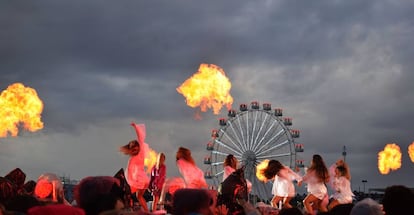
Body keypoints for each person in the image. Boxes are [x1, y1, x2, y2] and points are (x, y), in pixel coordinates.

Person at [120, 122, 151, 212]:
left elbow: (140, 138)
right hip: (144, 180)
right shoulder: (136, 157)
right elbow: (129, 171)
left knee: (134, 196)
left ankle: (144, 211)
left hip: (140, 180)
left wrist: (136, 127)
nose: (134, 150)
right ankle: (147, 211)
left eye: (135, 148)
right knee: (139, 196)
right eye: (133, 149)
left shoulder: (136, 156)